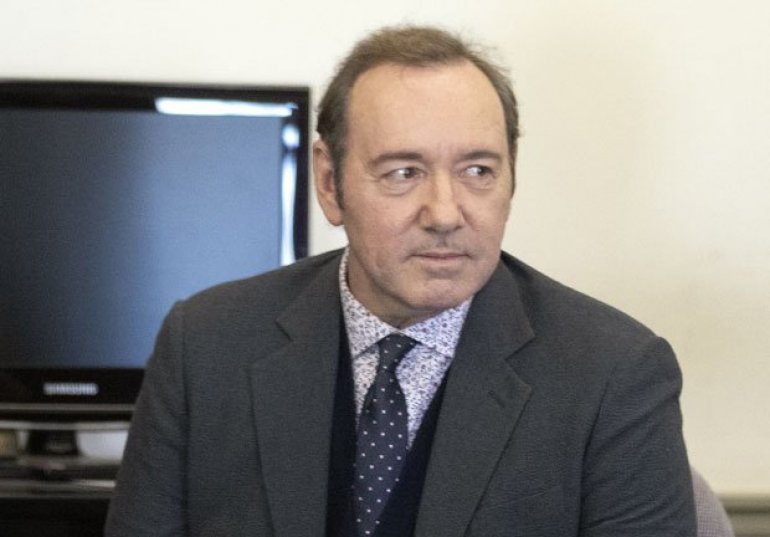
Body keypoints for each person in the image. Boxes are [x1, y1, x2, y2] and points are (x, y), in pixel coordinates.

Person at [105, 25, 696, 537]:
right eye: (404, 172)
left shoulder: (613, 374)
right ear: (330, 183)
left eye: (478, 170)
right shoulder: (206, 345)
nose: (445, 213)